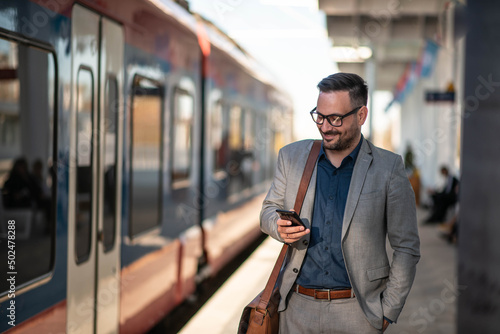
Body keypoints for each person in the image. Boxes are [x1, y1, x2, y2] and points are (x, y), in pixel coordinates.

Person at [260, 73, 420, 333]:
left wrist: (388, 310)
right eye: (319, 116)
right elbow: (267, 211)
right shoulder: (290, 157)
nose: (324, 126)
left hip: (359, 313)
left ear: (361, 115)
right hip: (296, 310)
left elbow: (407, 247)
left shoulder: (389, 168)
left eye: (335, 118)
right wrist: (277, 227)